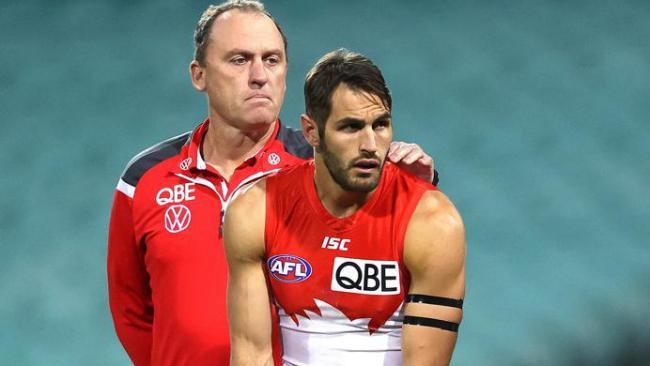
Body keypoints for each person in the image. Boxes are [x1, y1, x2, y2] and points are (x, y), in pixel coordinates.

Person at [107, 1, 438, 365]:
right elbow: (130, 310)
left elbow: (399, 273)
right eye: (239, 60)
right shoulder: (144, 178)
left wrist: (410, 187)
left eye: (272, 60)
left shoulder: (325, 166)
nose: (259, 75)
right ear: (199, 74)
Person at [224, 48, 466, 366]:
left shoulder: (433, 222)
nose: (369, 145)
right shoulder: (257, 210)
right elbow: (252, 356)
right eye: (351, 127)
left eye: (380, 125)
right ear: (312, 131)